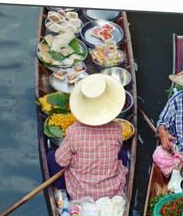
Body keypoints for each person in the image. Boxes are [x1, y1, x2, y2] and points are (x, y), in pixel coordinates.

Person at [47, 73, 128, 201]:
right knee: (122, 154)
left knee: (52, 157)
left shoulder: (74, 131)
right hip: (111, 191)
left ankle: (61, 189)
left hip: (80, 194)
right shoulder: (116, 129)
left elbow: (61, 160)